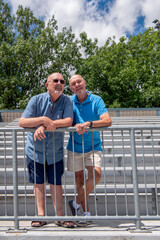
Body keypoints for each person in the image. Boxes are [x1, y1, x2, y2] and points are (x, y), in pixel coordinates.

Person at [19, 72, 74, 228]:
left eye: (62, 81)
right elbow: (23, 122)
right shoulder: (36, 100)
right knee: (39, 183)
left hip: (55, 151)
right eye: (55, 80)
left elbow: (68, 120)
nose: (59, 83)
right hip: (34, 150)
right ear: (47, 84)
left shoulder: (67, 101)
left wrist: (44, 125)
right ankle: (40, 215)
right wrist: (43, 119)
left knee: (56, 183)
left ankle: (60, 217)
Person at [67, 74, 112, 227]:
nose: (77, 85)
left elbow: (107, 120)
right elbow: (67, 121)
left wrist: (89, 124)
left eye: (79, 81)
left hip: (93, 146)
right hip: (74, 146)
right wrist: (75, 126)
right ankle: (85, 214)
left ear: (84, 83)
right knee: (79, 179)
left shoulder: (96, 100)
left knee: (96, 175)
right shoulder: (69, 101)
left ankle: (75, 203)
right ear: (71, 88)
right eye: (73, 84)